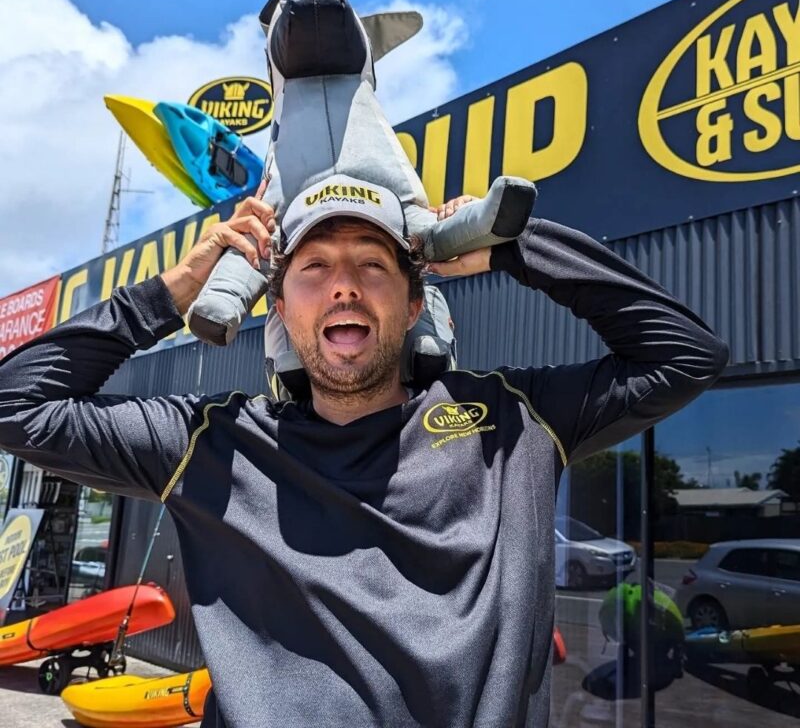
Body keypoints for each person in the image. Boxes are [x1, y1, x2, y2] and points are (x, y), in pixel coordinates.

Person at [0, 185, 728, 727]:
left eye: (371, 264)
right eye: (313, 267)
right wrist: (169, 293)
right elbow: (15, 407)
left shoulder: (510, 423)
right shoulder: (210, 441)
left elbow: (687, 354)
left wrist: (518, 248)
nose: (343, 283)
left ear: (414, 306)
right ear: (278, 309)